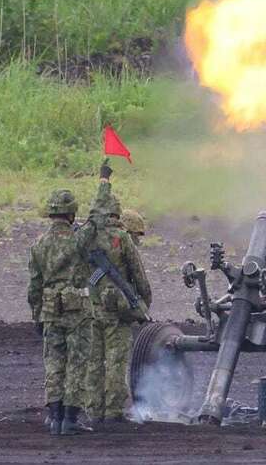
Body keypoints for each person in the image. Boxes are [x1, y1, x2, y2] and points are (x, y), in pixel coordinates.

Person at [84, 162, 152, 423]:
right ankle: (112, 411)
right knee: (115, 361)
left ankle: (93, 410)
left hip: (91, 308)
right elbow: (139, 277)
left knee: (94, 361)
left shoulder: (89, 235)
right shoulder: (121, 239)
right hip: (117, 311)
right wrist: (142, 304)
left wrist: (103, 180)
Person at [27, 189, 92, 435]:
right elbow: (97, 217)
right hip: (77, 311)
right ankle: (70, 419)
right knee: (77, 363)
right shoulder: (79, 239)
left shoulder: (38, 245)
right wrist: (104, 181)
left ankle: (54, 418)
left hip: (50, 310)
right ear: (72, 213)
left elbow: (34, 286)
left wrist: (37, 316)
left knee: (54, 363)